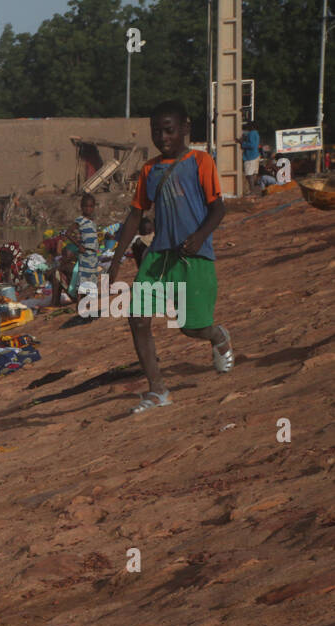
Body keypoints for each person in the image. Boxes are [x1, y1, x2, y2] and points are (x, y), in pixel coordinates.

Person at [108, 100, 231, 415]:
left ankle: (217, 335)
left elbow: (218, 208)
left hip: (195, 257)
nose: (162, 137)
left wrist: (200, 236)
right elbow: (135, 216)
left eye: (169, 130)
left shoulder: (201, 162)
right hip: (159, 257)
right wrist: (116, 259)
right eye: (156, 131)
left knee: (191, 327)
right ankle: (158, 390)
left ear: (185, 129)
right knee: (138, 318)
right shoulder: (149, 170)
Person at [68, 193, 102, 301]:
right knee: (83, 280)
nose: (88, 209)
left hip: (93, 256)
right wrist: (79, 245)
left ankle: (88, 304)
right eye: (86, 206)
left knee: (92, 280)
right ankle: (79, 304)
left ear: (94, 207)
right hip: (85, 254)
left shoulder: (93, 222)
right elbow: (68, 233)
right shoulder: (80, 220)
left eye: (91, 206)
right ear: (81, 207)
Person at [239, 123, 261, 189]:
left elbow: (252, 145)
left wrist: (242, 143)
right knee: (253, 174)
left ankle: (252, 189)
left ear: (252, 126)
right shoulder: (256, 133)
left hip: (250, 157)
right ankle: (254, 189)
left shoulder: (251, 133)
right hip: (255, 155)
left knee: (249, 174)